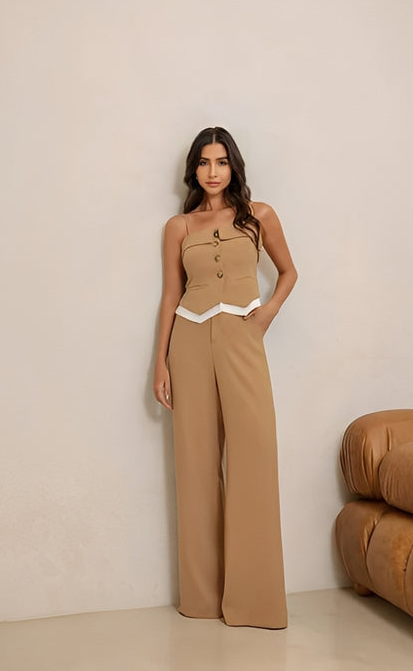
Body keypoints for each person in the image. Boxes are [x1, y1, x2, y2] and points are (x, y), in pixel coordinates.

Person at [153, 126, 297, 629]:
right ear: (193, 169)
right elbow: (170, 295)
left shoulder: (260, 216)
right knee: (195, 465)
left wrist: (267, 313)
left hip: (242, 338)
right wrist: (160, 362)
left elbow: (289, 272)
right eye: (203, 162)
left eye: (221, 162)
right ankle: (200, 598)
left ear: (233, 166)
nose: (212, 171)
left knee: (254, 456)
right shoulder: (179, 226)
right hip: (188, 343)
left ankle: (255, 601)